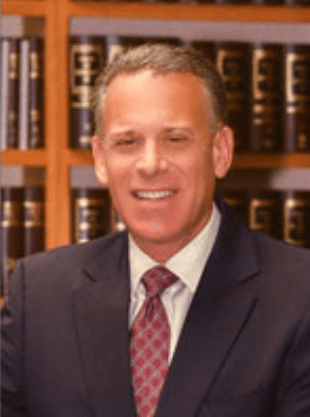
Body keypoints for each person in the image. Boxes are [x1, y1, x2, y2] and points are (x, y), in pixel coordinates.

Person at [2, 43, 310, 417]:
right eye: (127, 142)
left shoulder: (299, 294)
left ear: (220, 151)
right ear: (101, 159)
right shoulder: (37, 294)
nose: (150, 164)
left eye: (175, 139)